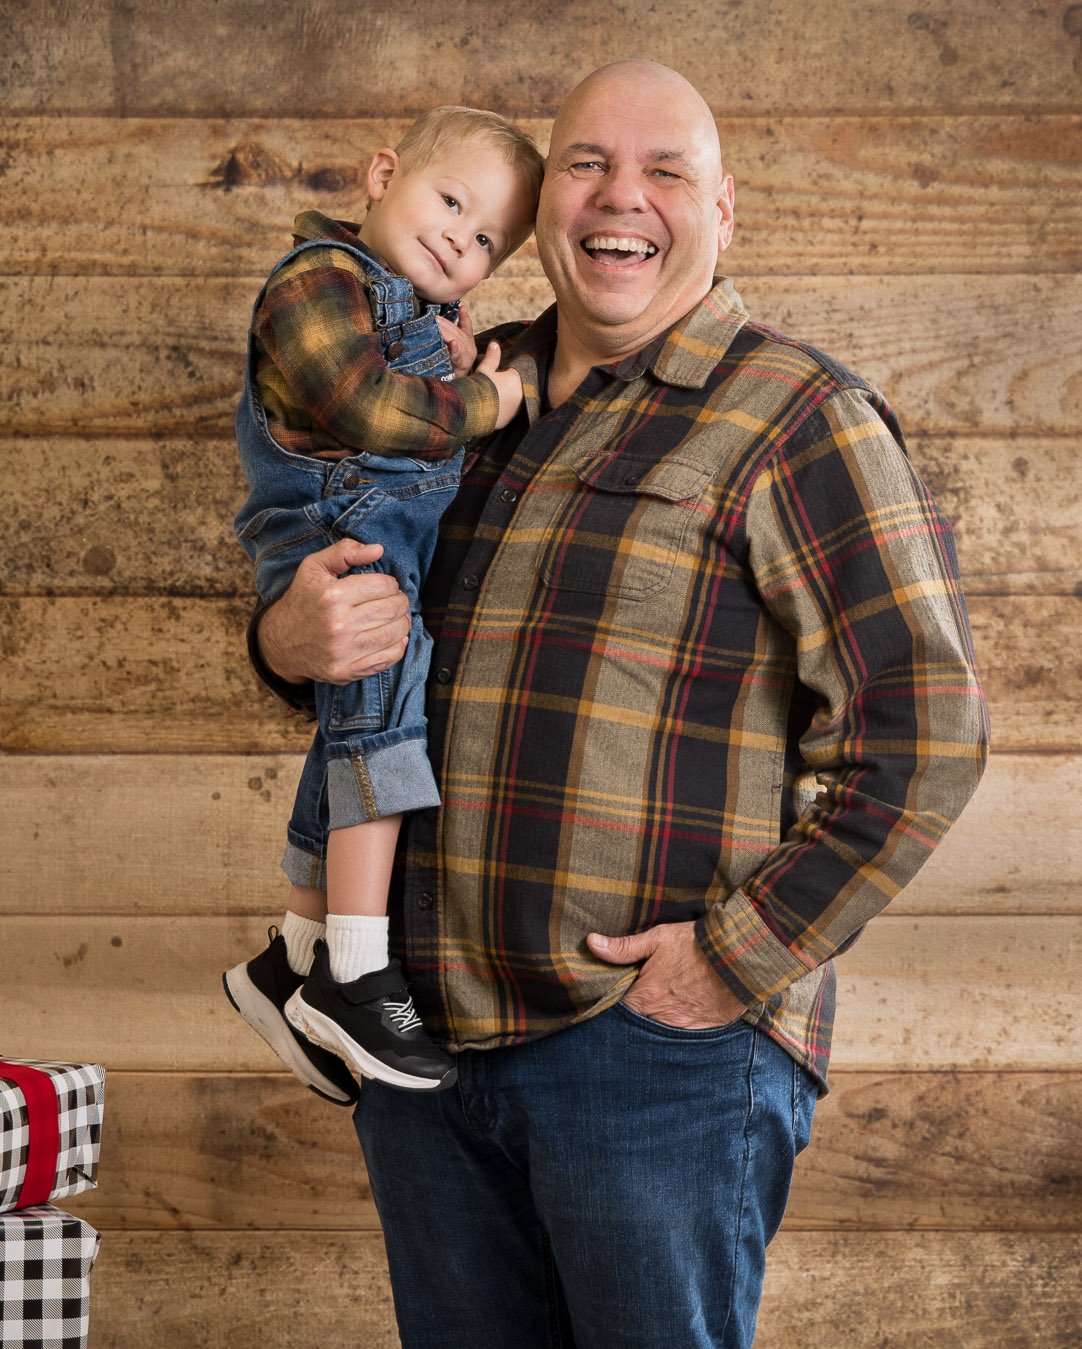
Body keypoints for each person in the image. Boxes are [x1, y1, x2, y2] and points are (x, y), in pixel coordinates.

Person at [250, 60, 991, 1346]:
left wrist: (731, 962)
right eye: (587, 163)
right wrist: (285, 631)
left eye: (665, 170)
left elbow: (924, 735)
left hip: (649, 1056)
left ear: (724, 209)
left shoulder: (797, 418)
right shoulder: (461, 390)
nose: (620, 197)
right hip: (420, 1044)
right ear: (542, 206)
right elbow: (350, 612)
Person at [221, 108, 543, 1100]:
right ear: (380, 173)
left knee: (358, 730)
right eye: (450, 202)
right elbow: (361, 407)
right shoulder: (314, 280)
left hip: (377, 541)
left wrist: (448, 366)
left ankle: (298, 951)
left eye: (486, 238)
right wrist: (484, 403)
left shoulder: (409, 315)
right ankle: (356, 970)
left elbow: (403, 397)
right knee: (380, 730)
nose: (460, 238)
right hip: (340, 536)